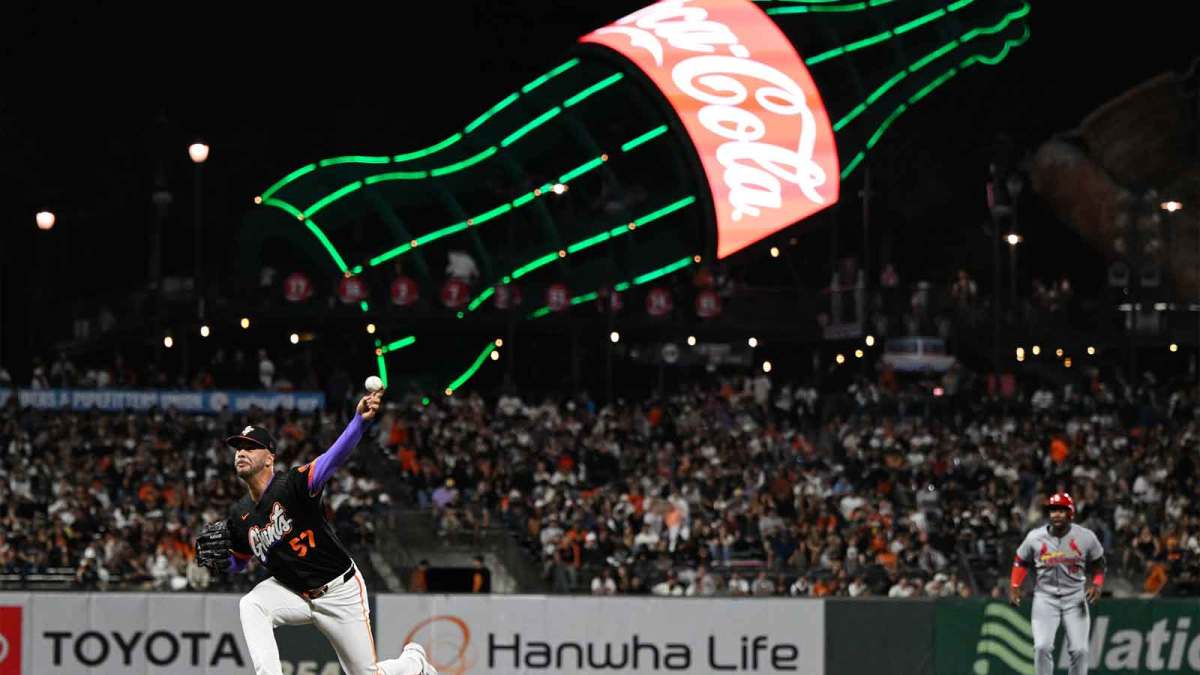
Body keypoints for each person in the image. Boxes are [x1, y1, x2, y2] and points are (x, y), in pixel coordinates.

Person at [194, 390, 437, 675]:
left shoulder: (293, 485)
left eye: (250, 447)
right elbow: (239, 561)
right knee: (252, 604)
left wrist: (359, 421)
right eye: (238, 448)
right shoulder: (240, 514)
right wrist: (220, 562)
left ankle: (414, 663)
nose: (241, 453)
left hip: (339, 590)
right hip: (293, 592)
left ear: (270, 457)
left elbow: (333, 459)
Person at [1010, 492, 1105, 675]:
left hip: (1075, 598)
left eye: (1062, 510)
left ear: (1070, 513)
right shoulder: (1035, 537)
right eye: (1053, 510)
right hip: (1045, 598)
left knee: (1080, 650)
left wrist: (1097, 583)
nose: (1057, 514)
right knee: (1042, 647)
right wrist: (1015, 586)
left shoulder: (1085, 537)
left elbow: (1098, 561)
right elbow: (1020, 560)